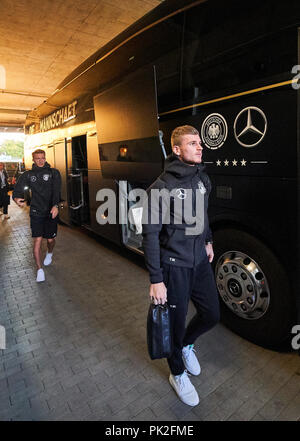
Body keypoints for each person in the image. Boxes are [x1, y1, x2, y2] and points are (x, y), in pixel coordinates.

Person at [142, 125, 220, 406]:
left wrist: (208, 240)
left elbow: (203, 215)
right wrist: (156, 279)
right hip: (174, 267)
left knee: (211, 313)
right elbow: (150, 235)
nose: (200, 147)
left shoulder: (202, 179)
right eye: (192, 144)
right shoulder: (161, 188)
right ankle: (177, 372)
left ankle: (187, 345)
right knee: (173, 326)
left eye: (200, 143)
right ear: (176, 149)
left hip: (199, 261)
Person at [13, 150, 61, 283]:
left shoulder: (54, 173)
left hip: (50, 212)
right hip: (36, 212)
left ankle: (49, 253)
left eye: (42, 158)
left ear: (45, 158)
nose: (40, 160)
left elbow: (57, 191)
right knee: (37, 241)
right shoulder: (28, 175)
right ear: (33, 160)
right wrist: (16, 198)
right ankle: (39, 270)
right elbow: (17, 189)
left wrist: (56, 205)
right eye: (37, 158)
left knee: (50, 241)